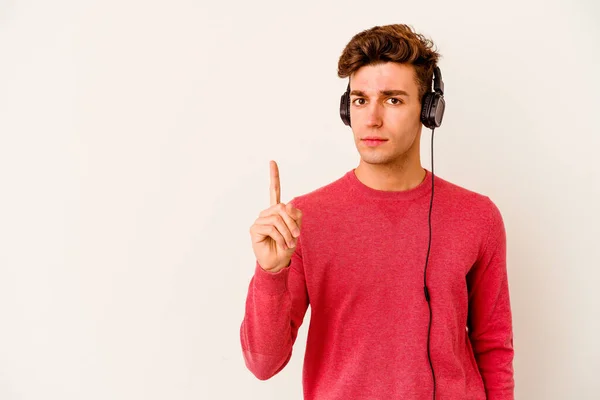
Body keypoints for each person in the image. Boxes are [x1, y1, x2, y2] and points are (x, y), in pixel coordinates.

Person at [240, 23, 514, 400]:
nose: (370, 118)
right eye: (359, 100)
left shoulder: (478, 217)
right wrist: (270, 273)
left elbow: (494, 347)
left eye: (393, 100)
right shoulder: (302, 219)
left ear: (430, 110)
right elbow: (263, 364)